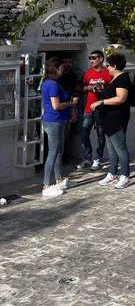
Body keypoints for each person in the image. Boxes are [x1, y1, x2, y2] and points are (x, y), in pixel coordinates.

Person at [90, 53, 132, 189]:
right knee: (111, 149)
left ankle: (125, 175)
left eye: (108, 65)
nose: (106, 68)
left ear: (114, 66)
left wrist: (101, 101)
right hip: (107, 119)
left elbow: (121, 98)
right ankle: (112, 173)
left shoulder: (122, 79)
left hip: (117, 119)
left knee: (120, 148)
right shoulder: (115, 79)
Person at [41, 57, 79, 198]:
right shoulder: (52, 84)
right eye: (62, 68)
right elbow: (56, 106)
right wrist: (71, 103)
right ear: (55, 68)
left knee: (59, 151)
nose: (64, 70)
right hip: (54, 121)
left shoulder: (52, 83)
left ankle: (59, 180)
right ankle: (46, 185)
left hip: (59, 121)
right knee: (53, 152)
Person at [78, 50, 111, 170]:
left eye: (93, 58)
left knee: (101, 134)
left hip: (102, 108)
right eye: (89, 58)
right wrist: (89, 87)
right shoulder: (88, 73)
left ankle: (98, 159)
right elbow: (81, 87)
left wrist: (103, 88)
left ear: (101, 59)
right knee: (84, 132)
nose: (91, 60)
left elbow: (114, 88)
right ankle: (87, 158)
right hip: (88, 108)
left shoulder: (108, 72)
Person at [57, 56, 80, 163]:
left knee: (67, 133)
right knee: (57, 135)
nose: (67, 64)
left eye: (69, 62)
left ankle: (63, 156)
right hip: (58, 106)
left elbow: (75, 90)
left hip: (70, 106)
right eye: (65, 62)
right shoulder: (56, 78)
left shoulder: (73, 75)